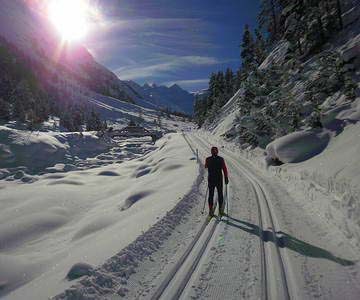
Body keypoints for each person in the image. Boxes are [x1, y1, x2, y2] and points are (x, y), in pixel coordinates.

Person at [205, 146, 229, 217]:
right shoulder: (221, 159)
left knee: (211, 195)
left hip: (211, 179)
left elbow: (205, 166)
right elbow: (224, 169)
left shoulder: (208, 159)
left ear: (211, 152)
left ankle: (211, 210)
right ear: (217, 152)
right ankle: (220, 209)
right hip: (219, 179)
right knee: (220, 194)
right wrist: (226, 177)